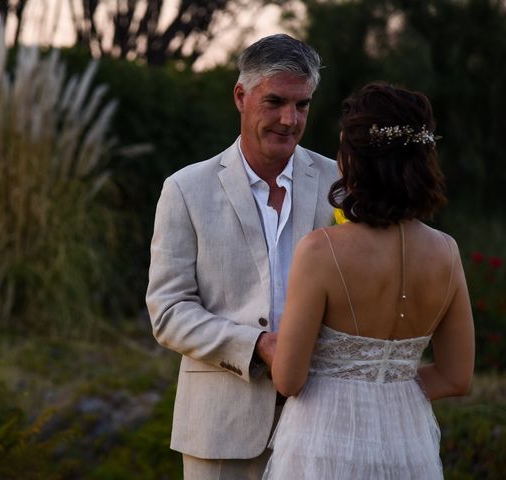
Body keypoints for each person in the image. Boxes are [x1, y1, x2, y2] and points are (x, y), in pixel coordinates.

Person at [146, 34, 338, 479]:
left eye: (302, 105)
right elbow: (168, 310)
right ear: (240, 96)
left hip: (322, 422)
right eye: (275, 102)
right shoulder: (185, 190)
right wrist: (257, 346)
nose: (290, 120)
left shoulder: (339, 181)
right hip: (219, 429)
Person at [263, 82, 475, 479]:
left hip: (324, 442)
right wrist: (385, 386)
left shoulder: (321, 250)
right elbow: (455, 376)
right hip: (407, 443)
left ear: (356, 159)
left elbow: (289, 378)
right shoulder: (447, 252)